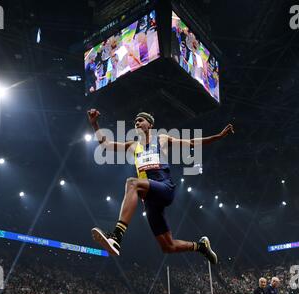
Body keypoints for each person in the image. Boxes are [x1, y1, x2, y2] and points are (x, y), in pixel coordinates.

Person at [87, 109, 234, 264]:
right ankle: (200, 246)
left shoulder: (162, 139)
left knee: (132, 182)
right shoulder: (133, 145)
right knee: (168, 246)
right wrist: (95, 124)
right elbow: (106, 145)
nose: (136, 123)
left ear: (150, 124)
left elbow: (191, 143)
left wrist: (218, 136)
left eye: (140, 120)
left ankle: (116, 236)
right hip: (149, 199)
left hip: (164, 187)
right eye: (135, 121)